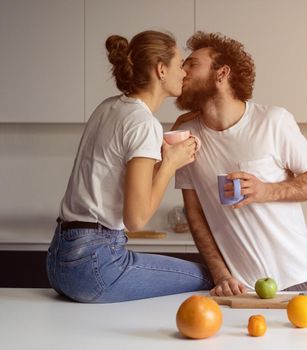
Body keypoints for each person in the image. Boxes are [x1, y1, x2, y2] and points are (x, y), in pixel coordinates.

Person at [46, 30, 213, 303]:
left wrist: (164, 163)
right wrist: (170, 164)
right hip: (96, 265)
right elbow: (136, 220)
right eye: (179, 63)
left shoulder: (109, 107)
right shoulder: (144, 124)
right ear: (161, 70)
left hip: (59, 261)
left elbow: (124, 185)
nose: (184, 72)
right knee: (209, 277)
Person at [172, 31, 307, 296]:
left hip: (299, 280)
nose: (182, 71)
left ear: (221, 74)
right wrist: (221, 274)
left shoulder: (273, 121)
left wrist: (265, 191)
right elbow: (195, 215)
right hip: (240, 290)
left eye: (192, 64)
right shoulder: (186, 136)